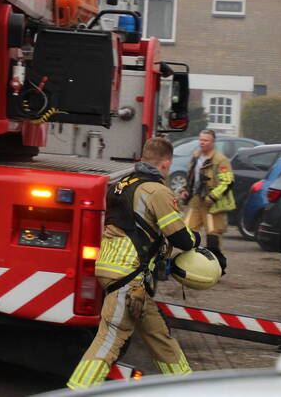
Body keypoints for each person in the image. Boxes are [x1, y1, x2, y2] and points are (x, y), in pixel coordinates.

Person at [67, 137, 199, 390]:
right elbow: (181, 237)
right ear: (167, 162)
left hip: (116, 270)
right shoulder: (157, 191)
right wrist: (198, 240)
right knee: (110, 338)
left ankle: (185, 387)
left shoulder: (121, 184)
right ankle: (77, 390)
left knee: (158, 335)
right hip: (129, 276)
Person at [180, 129, 233, 274]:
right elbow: (190, 176)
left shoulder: (221, 160)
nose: (202, 143)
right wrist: (185, 190)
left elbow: (227, 182)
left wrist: (212, 197)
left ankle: (217, 269)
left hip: (212, 204)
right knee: (188, 233)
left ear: (213, 142)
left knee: (213, 236)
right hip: (196, 200)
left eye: (206, 140)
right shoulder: (196, 156)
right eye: (201, 139)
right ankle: (190, 265)